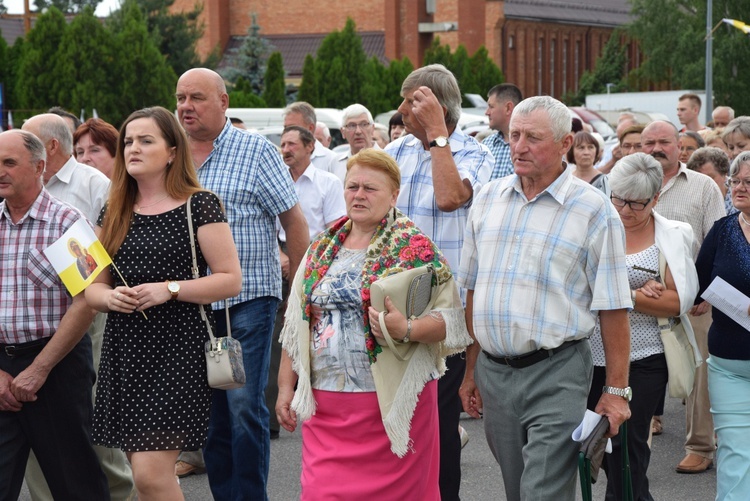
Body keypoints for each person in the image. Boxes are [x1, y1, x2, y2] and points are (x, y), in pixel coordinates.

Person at [458, 96, 632, 501]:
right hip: (494, 372)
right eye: (514, 134)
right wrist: (471, 371)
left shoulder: (594, 210)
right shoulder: (486, 199)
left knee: (542, 491)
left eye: (532, 138)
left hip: (557, 372)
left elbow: (614, 306)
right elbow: (472, 289)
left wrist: (617, 391)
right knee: (518, 490)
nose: (518, 146)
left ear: (564, 143)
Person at [276, 148, 471, 500]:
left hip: (393, 406)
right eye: (352, 187)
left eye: (370, 188)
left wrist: (406, 330)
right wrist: (285, 388)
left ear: (394, 195)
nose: (359, 195)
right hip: (327, 409)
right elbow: (296, 325)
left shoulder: (417, 248)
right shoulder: (321, 247)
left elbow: (451, 322)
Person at [85, 106, 242, 500]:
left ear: (172, 151)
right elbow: (92, 289)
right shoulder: (112, 210)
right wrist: (110, 297)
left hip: (178, 350)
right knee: (146, 477)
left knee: (151, 475)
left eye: (146, 140)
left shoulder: (200, 204)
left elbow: (230, 280)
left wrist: (168, 289)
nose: (133, 148)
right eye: (128, 141)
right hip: (127, 351)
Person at [176, 67, 309, 500]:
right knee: (209, 414)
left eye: (197, 97)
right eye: (180, 98)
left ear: (224, 101)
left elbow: (294, 221)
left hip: (248, 299)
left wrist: (299, 291)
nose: (186, 107)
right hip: (191, 306)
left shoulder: (256, 152)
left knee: (242, 407)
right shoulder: (170, 154)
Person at [385, 63, 493, 501]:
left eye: (411, 101)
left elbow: (450, 198)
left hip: (445, 311)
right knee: (397, 414)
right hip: (392, 306)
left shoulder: (475, 154)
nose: (399, 109)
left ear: (437, 108)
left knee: (438, 416)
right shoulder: (394, 154)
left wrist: (436, 135)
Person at [20, 113, 133, 500]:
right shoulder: (11, 197)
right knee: (34, 429)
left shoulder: (88, 187)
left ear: (46, 149)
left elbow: (108, 258)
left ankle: (118, 493)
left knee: (89, 417)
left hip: (83, 314)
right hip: (26, 327)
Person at [0, 129, 109, 500]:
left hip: (57, 364)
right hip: (1, 367)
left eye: (9, 163)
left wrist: (39, 369)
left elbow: (88, 300)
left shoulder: (68, 222)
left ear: (40, 167)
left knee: (76, 483)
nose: (0, 171)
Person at [587, 153, 699, 500]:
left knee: (627, 449)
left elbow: (676, 302)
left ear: (656, 199)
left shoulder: (673, 235)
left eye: (635, 203)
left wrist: (624, 295)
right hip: (590, 356)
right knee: (595, 446)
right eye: (617, 198)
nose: (622, 209)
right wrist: (636, 289)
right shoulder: (593, 227)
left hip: (646, 357)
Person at [640, 120, 725, 473]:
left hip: (693, 300)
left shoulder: (703, 186)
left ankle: (700, 446)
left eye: (664, 142)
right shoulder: (626, 180)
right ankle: (634, 445)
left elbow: (718, 242)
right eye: (649, 143)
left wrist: (706, 294)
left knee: (698, 374)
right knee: (636, 373)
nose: (656, 148)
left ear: (679, 146)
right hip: (639, 296)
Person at [266, 125, 346, 440]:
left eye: (291, 144)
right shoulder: (276, 181)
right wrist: (282, 256)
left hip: (318, 264)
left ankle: (324, 402)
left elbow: (336, 230)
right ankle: (273, 412)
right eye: (282, 144)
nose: (285, 150)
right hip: (280, 262)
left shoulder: (328, 183)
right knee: (279, 336)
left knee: (317, 334)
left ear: (310, 147)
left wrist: (306, 261)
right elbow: (268, 227)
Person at [696, 151, 750, 501]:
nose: (740, 188)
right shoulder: (722, 230)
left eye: (749, 182)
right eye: (736, 181)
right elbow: (697, 286)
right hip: (729, 365)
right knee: (735, 452)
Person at [283, 102, 338, 174]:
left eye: (293, 127)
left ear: (310, 128)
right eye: (285, 128)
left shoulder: (332, 160)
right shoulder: (281, 161)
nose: (287, 132)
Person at [483, 83, 522, 180]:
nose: (486, 112)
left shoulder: (531, 147)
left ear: (508, 108)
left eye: (491, 106)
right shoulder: (486, 145)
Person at [333, 104, 377, 181]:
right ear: (343, 132)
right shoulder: (335, 163)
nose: (358, 131)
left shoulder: (388, 158)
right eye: (351, 126)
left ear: (373, 129)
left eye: (364, 124)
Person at [687, 146, 735, 215]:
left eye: (710, 178)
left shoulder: (740, 200)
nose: (704, 183)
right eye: (699, 179)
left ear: (724, 175)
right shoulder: (689, 201)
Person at [567, 130, 609, 194]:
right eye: (581, 148)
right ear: (572, 151)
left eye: (590, 147)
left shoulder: (604, 181)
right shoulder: (567, 180)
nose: (586, 152)